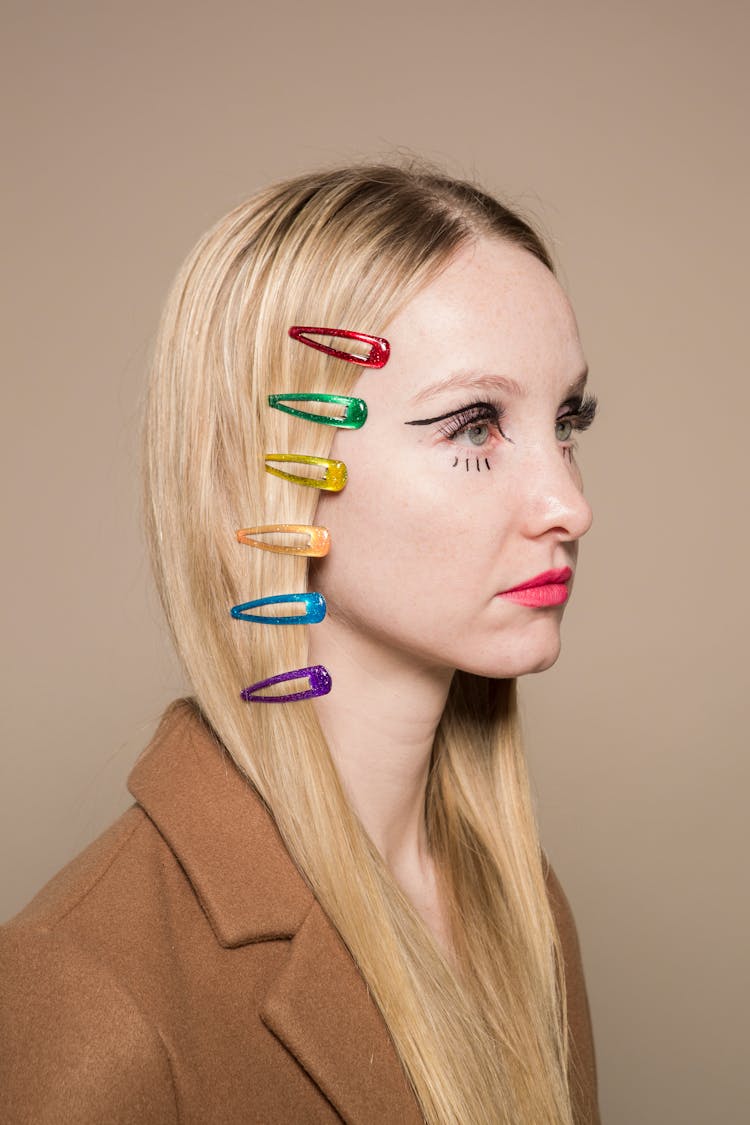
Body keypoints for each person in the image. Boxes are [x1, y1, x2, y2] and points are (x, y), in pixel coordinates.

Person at [0, 164, 600, 1124]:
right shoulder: (85, 997)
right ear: (268, 469)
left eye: (567, 420)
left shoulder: (519, 901)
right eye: (474, 424)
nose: (570, 504)